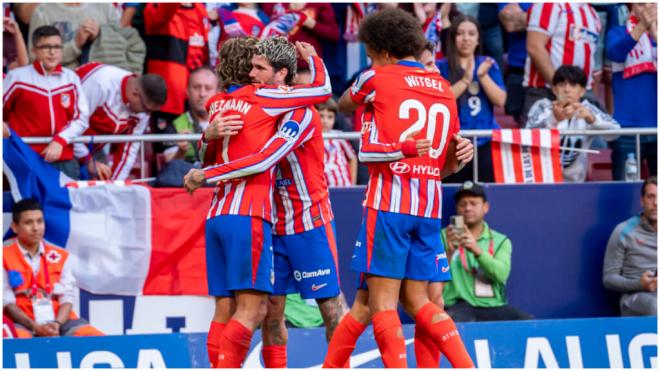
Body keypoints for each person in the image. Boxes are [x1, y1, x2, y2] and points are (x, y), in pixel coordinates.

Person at [329, 8, 473, 368]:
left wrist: (375, 75)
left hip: (389, 204)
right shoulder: (443, 86)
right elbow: (448, 163)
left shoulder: (378, 78)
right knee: (413, 302)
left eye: (370, 54)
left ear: (383, 52)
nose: (370, 61)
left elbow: (342, 102)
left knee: (381, 305)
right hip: (427, 206)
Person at [183, 37, 331, 368]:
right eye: (254, 64)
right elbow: (322, 91)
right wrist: (315, 58)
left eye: (259, 66)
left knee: (227, 308)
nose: (255, 71)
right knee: (255, 309)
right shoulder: (264, 96)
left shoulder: (218, 104)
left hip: (217, 213)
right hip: (250, 214)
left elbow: (206, 153)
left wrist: (205, 139)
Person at [3, 199, 104, 338]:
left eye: (39, 221)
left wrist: (56, 324)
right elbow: (6, 302)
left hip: (58, 321)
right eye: (28, 222)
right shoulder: (4, 255)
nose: (36, 228)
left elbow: (67, 297)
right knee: (15, 340)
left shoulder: (60, 255)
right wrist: (35, 327)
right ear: (15, 227)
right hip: (21, 322)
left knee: (93, 336)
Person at [3, 26, 89, 180]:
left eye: (56, 47)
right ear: (34, 50)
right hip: (25, 156)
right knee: (30, 204)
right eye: (46, 47)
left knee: (66, 203)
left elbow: (82, 118)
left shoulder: (71, 78)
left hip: (63, 156)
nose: (52, 52)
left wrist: (61, 140)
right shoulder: (18, 77)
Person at [440, 182, 533, 322]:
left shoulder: (500, 240)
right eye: (462, 204)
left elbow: (501, 275)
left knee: (528, 323)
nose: (467, 208)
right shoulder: (443, 236)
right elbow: (430, 279)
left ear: (485, 207)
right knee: (455, 322)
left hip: (494, 306)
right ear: (456, 208)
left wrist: (477, 251)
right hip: (456, 306)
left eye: (473, 203)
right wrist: (449, 253)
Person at [437, 15, 507, 183]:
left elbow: (501, 101)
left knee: (483, 192)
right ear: (453, 38)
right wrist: (465, 81)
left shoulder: (488, 63)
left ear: (478, 39)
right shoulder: (440, 66)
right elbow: (440, 102)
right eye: (460, 33)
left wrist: (482, 77)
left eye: (471, 33)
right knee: (451, 193)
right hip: (453, 145)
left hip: (484, 141)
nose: (466, 38)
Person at [526, 65, 620, 182]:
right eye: (561, 85)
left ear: (582, 91)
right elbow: (527, 137)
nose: (567, 90)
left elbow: (615, 133)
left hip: (575, 185)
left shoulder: (588, 109)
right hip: (542, 181)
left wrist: (592, 120)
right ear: (554, 89)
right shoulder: (542, 106)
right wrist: (554, 119)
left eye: (573, 85)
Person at [75, 62, 167, 180]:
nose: (147, 115)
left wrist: (115, 185)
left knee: (104, 185)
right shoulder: (101, 83)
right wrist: (87, 160)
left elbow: (128, 150)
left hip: (93, 148)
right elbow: (68, 126)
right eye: (147, 110)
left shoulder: (143, 106)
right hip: (62, 144)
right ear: (135, 95)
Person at [144, 3, 209, 152]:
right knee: (168, 153)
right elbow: (164, 13)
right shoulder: (155, 6)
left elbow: (202, 52)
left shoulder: (199, 8)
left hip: (196, 97)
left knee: (199, 152)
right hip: (170, 100)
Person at [521, 3, 602, 123]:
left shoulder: (592, 13)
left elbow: (591, 59)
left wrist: (585, 94)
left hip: (581, 95)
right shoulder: (548, 4)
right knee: (541, 140)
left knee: (597, 140)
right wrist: (561, 89)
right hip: (545, 92)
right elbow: (534, 47)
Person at [606, 3, 657, 180]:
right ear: (631, 7)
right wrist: (642, 27)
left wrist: (656, 34)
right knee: (623, 193)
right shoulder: (618, 32)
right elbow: (615, 53)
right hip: (627, 129)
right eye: (642, 3)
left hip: (657, 128)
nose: (649, 7)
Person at [603, 176, 657, 316]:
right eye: (651, 197)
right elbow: (609, 278)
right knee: (655, 305)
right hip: (634, 298)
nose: (656, 203)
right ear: (642, 200)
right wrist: (640, 284)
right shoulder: (623, 231)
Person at [27, 3, 121, 69]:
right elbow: (35, 58)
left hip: (101, 85)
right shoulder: (43, 11)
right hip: (59, 85)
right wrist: (76, 44)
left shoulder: (106, 7)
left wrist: (100, 34)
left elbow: (121, 47)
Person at [163, 66, 218, 165]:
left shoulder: (229, 122)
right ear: (187, 91)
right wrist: (181, 151)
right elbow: (170, 168)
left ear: (218, 92)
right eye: (196, 87)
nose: (202, 94)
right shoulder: (175, 126)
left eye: (208, 88)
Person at [498, 3, 532, 125]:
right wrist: (544, 21)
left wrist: (523, 16)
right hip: (517, 68)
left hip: (543, 70)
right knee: (516, 114)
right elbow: (510, 22)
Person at [319, 98, 357, 187]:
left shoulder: (339, 137)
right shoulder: (310, 139)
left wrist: (352, 184)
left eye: (330, 117)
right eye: (321, 116)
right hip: (324, 189)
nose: (325, 121)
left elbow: (352, 158)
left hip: (344, 186)